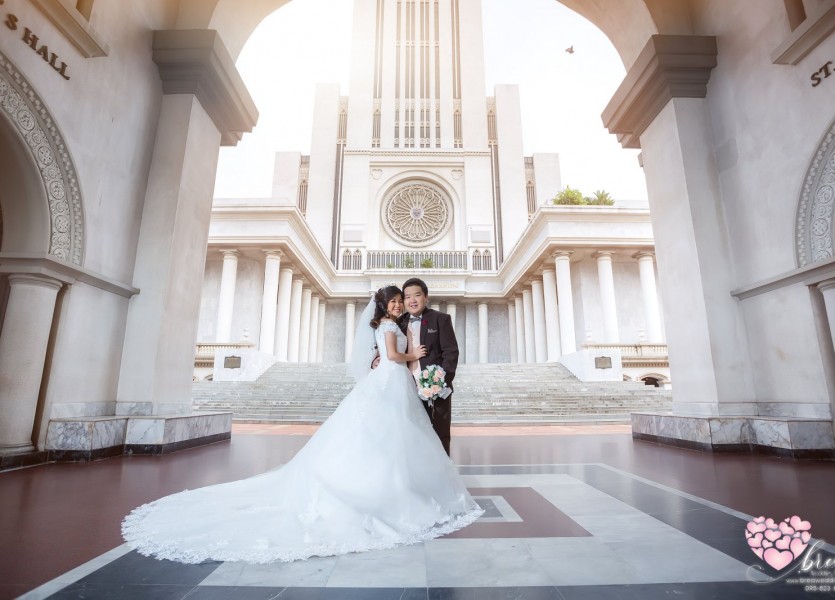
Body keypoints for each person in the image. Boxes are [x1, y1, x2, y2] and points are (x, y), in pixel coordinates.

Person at [121, 285, 483, 564]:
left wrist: (417, 366)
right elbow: (390, 354)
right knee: (383, 437)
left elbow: (396, 349)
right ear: (386, 305)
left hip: (402, 384)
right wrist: (407, 356)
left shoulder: (405, 321)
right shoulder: (391, 323)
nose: (401, 305)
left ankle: (410, 486)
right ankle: (389, 491)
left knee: (400, 438)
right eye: (396, 301)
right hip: (392, 380)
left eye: (403, 301)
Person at [372, 278, 458, 456]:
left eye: (417, 295)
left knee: (439, 435)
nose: (412, 300)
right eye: (407, 296)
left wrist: (441, 381)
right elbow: (386, 347)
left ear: (425, 297)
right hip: (405, 389)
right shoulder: (397, 322)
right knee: (408, 436)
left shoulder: (441, 319)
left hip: (435, 389)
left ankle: (441, 479)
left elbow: (451, 353)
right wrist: (374, 360)